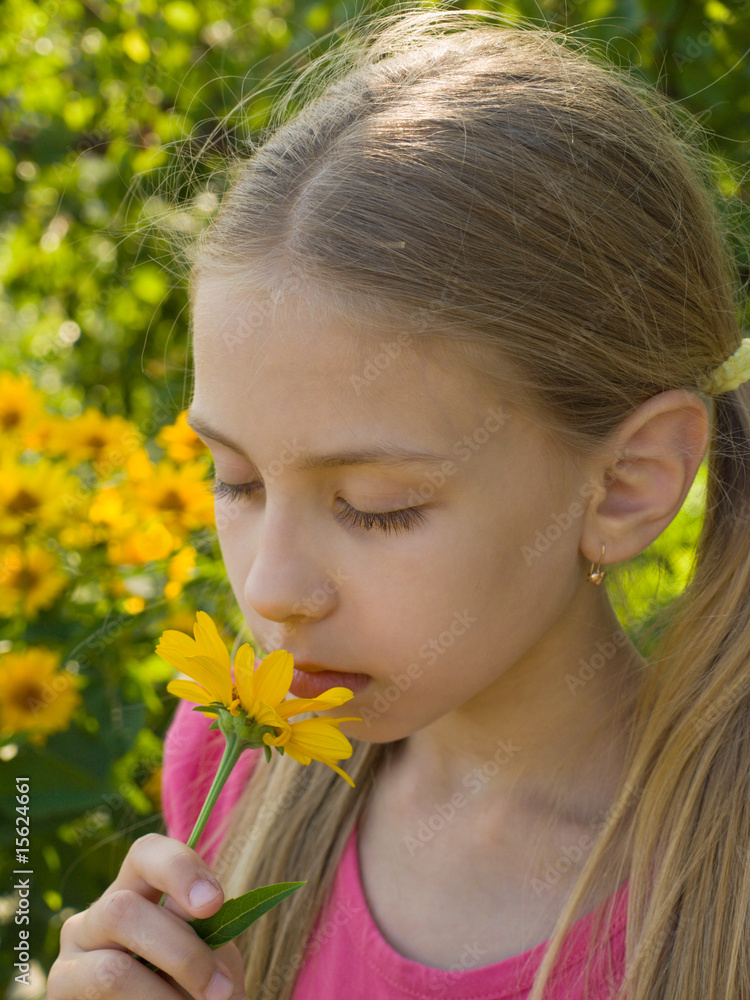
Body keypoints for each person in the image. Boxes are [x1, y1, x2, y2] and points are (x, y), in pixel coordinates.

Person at [48, 6, 750, 1000]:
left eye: (377, 506)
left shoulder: (719, 892)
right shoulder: (233, 771)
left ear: (628, 484)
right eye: (238, 480)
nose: (272, 586)